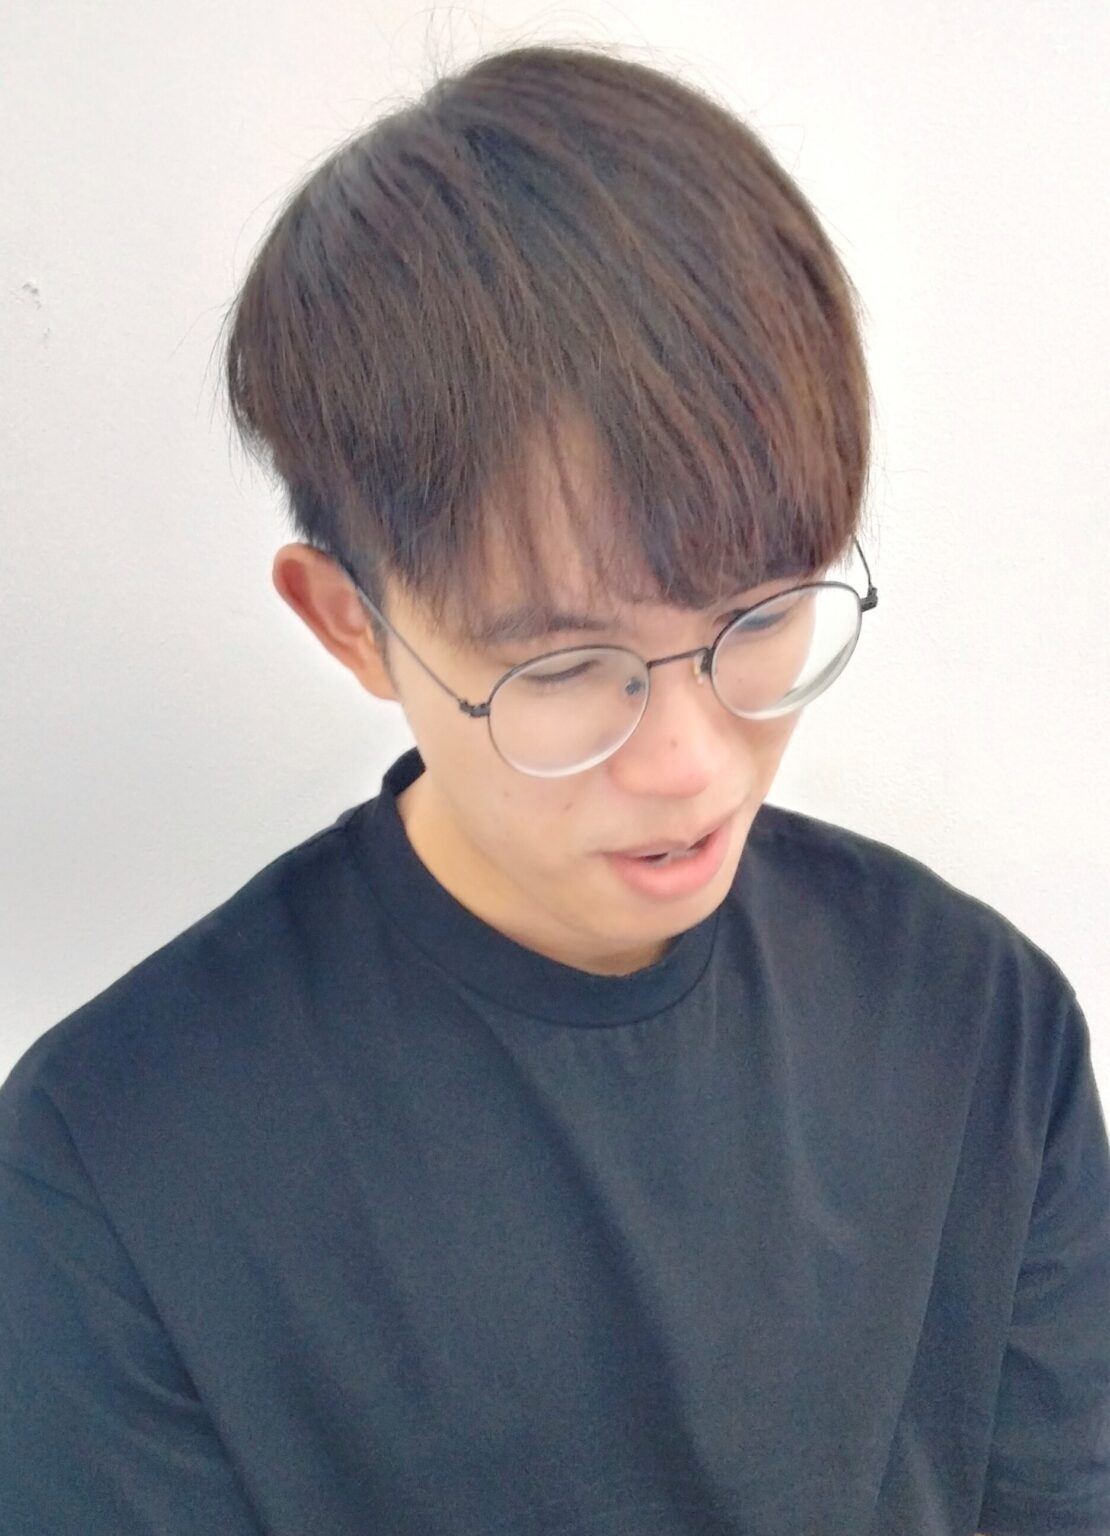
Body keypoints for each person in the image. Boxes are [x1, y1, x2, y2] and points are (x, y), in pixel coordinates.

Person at [1, 41, 1107, 1536]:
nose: (689, 761)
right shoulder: (116, 1161)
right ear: (349, 623)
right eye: (567, 667)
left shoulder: (982, 1027)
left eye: (758, 618)